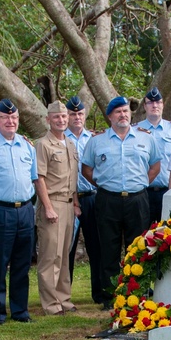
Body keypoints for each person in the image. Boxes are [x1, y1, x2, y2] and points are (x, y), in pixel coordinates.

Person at [81, 96, 161, 302]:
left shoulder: (146, 138)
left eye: (125, 111)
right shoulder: (97, 141)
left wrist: (142, 182)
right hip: (108, 200)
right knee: (108, 248)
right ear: (110, 116)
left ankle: (138, 292)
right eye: (118, 112)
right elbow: (86, 169)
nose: (123, 115)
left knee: (138, 248)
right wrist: (104, 184)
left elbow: (155, 166)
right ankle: (111, 296)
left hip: (138, 199)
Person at [0, 99, 38, 324]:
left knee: (23, 263)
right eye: (5, 118)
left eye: (14, 118)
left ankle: (20, 311)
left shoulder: (27, 145)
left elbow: (34, 178)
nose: (10, 121)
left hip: (24, 210)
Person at [34, 101, 81, 315]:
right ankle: (51, 304)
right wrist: (48, 207)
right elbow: (39, 179)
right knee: (50, 256)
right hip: (52, 205)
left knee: (63, 255)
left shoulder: (70, 144)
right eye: (56, 117)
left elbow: (73, 178)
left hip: (69, 205)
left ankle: (64, 299)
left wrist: (77, 204)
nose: (61, 120)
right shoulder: (43, 144)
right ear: (48, 120)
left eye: (64, 116)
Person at [65, 96, 108, 304]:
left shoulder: (94, 139)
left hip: (91, 197)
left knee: (96, 246)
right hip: (67, 199)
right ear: (66, 116)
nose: (77, 117)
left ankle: (99, 293)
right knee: (67, 248)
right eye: (72, 114)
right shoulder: (60, 138)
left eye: (80, 113)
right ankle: (64, 294)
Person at [136, 87, 171, 222]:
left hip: (169, 191)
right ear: (144, 106)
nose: (154, 105)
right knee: (143, 236)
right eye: (150, 102)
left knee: (169, 235)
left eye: (158, 102)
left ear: (163, 105)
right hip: (142, 192)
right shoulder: (134, 131)